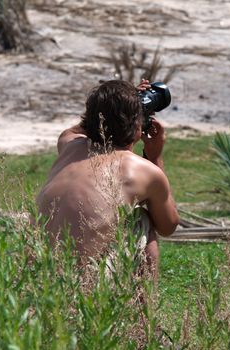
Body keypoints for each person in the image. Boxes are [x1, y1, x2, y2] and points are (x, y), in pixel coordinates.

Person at [36, 79, 179, 279]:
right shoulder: (142, 170)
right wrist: (154, 156)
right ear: (137, 124)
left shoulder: (69, 145)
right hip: (80, 288)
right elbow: (168, 225)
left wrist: (112, 104)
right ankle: (142, 310)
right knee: (140, 219)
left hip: (38, 278)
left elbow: (76, 130)